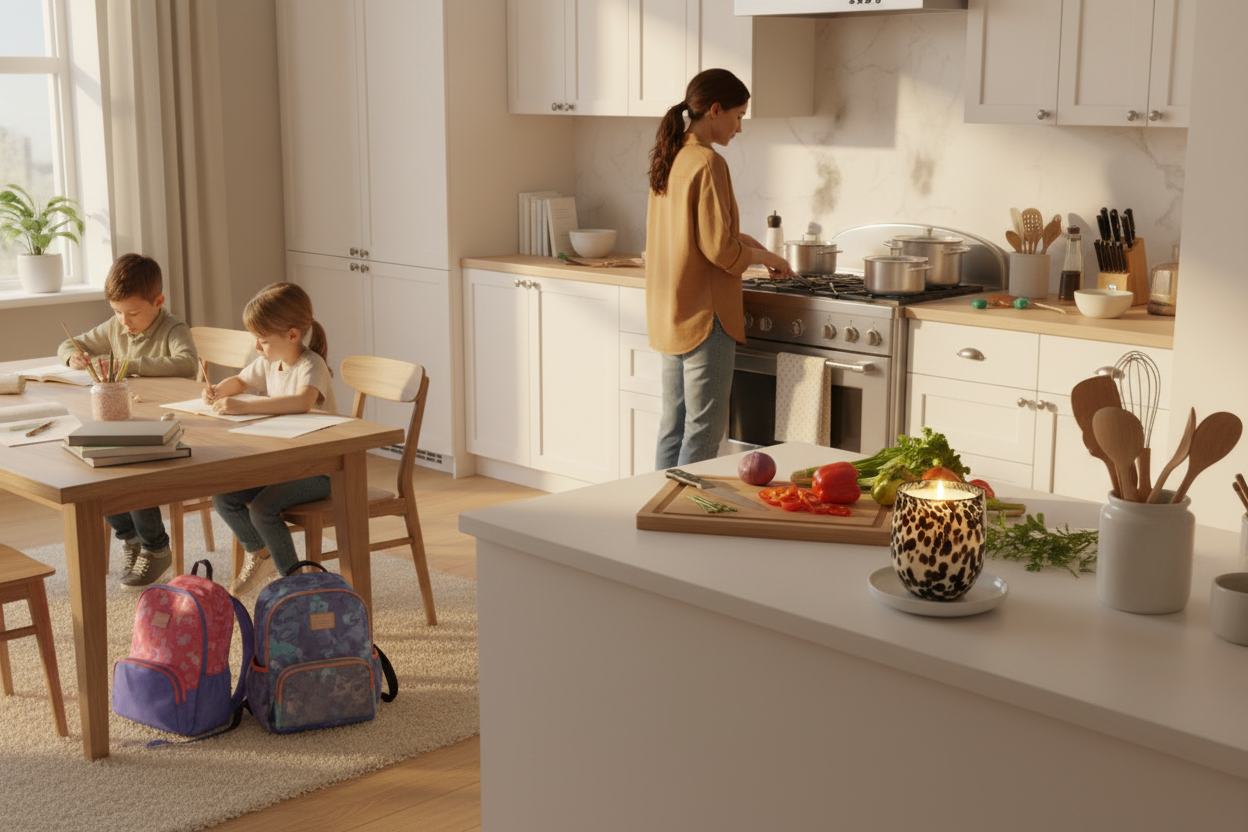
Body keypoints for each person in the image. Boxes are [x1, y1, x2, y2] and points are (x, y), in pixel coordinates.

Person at [645, 68, 793, 470]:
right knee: (704, 429)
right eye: (738, 115)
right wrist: (769, 258)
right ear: (715, 110)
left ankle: (662, 513)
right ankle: (688, 518)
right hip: (705, 316)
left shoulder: (672, 155)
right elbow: (717, 251)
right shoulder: (709, 162)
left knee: (673, 425)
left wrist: (742, 239)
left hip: (671, 312)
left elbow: (690, 230)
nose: (740, 127)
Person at [56, 253, 199, 587]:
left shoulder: (172, 327)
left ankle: (156, 546)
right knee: (98, 464)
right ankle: (130, 538)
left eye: (132, 313)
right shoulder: (114, 327)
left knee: (131, 466)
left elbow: (186, 364)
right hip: (125, 416)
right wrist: (72, 357)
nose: (124, 321)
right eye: (117, 312)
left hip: (165, 421)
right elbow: (68, 343)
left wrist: (130, 363)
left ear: (158, 301)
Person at [206, 282, 338, 595]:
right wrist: (223, 389)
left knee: (262, 509)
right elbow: (241, 379)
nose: (256, 347)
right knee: (224, 496)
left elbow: (301, 402)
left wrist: (241, 406)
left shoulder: (311, 365)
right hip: (288, 466)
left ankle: (296, 585)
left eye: (262, 340)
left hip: (322, 470)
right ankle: (262, 552)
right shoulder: (270, 362)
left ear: (292, 335)